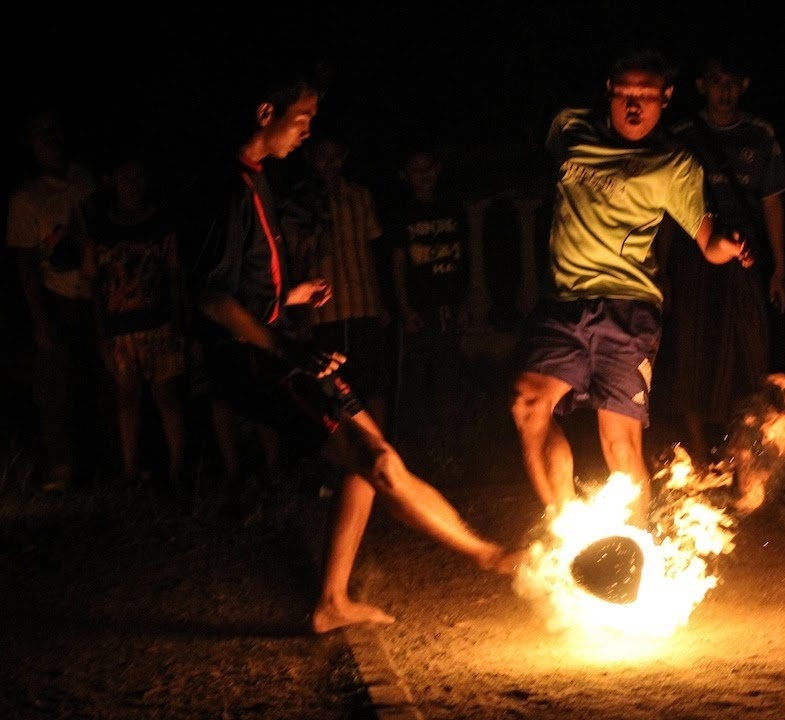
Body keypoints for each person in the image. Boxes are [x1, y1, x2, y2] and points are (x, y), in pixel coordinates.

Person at [191, 64, 520, 634]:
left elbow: (242, 285)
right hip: (253, 360)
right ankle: (490, 558)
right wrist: (286, 349)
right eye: (302, 119)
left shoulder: (256, 177)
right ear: (266, 114)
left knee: (371, 458)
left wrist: (286, 294)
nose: (308, 132)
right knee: (380, 463)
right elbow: (212, 301)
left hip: (274, 346)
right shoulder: (229, 187)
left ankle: (333, 601)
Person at [509, 47, 752, 527]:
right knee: (529, 404)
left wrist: (729, 244)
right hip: (564, 302)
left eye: (646, 96)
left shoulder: (673, 164)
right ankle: (568, 536)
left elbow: (707, 240)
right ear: (609, 94)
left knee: (618, 439)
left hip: (629, 307)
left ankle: (634, 557)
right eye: (624, 95)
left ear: (667, 98)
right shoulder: (569, 128)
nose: (634, 106)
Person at [662, 50, 785, 466]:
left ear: (744, 85)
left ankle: (745, 450)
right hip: (693, 254)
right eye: (716, 80)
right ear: (701, 85)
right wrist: (661, 269)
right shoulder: (681, 134)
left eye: (732, 82)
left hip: (746, 256)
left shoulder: (760, 134)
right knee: (693, 348)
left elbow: (773, 202)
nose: (725, 90)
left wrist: (779, 270)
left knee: (750, 350)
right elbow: (665, 209)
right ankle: (700, 452)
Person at [5, 106, 106, 492]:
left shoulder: (82, 180)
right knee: (55, 386)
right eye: (41, 134)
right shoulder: (27, 197)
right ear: (30, 145)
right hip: (57, 297)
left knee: (102, 379)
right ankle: (60, 468)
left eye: (54, 131)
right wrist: (39, 319)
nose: (50, 140)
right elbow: (26, 263)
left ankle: (107, 464)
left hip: (95, 293)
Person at [81, 147, 188, 496]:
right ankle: (129, 470)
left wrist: (178, 321)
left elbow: (174, 276)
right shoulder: (99, 229)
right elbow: (94, 283)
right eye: (125, 177)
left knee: (166, 395)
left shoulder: (161, 224)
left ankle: (178, 468)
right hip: (120, 328)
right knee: (127, 398)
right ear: (113, 181)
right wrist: (102, 333)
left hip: (158, 324)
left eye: (138, 177)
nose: (132, 184)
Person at [280, 132, 393, 429]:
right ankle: (346, 454)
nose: (329, 164)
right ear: (309, 158)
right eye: (322, 156)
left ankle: (381, 447)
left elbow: (372, 249)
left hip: (363, 303)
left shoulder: (359, 196)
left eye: (335, 156)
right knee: (333, 388)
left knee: (374, 383)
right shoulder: (298, 202)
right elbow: (294, 258)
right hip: (323, 313)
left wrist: (381, 301)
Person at [387, 145, 472, 447]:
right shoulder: (402, 215)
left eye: (427, 169)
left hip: (449, 304)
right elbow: (398, 264)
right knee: (420, 373)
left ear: (437, 170)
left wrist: (464, 303)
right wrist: (405, 308)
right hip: (420, 308)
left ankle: (449, 440)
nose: (422, 176)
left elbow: (465, 260)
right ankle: (423, 441)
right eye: (415, 170)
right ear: (405, 176)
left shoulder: (452, 208)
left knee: (449, 372)